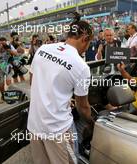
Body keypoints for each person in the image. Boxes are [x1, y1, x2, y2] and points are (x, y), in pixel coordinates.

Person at [27, 16, 94, 164]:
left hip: (34, 125)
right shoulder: (81, 66)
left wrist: (60, 98)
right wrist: (91, 122)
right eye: (89, 43)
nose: (88, 47)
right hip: (57, 130)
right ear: (84, 38)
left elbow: (34, 82)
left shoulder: (42, 49)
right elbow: (82, 107)